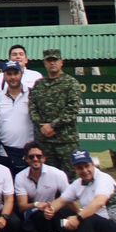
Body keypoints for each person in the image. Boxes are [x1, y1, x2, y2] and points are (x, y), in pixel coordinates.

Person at [30, 47, 84, 178]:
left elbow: (72, 109)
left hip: (66, 141)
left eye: (55, 60)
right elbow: (32, 108)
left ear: (61, 62)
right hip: (45, 142)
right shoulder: (39, 84)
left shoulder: (71, 83)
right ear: (45, 63)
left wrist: (52, 126)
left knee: (69, 178)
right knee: (48, 178)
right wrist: (42, 126)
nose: (52, 63)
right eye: (49, 60)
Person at [14, 141, 69, 232]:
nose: (35, 159)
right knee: (34, 216)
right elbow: (22, 206)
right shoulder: (20, 177)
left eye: (39, 156)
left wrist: (52, 207)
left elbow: (68, 197)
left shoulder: (57, 174)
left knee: (66, 215)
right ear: (26, 159)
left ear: (44, 158)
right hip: (34, 212)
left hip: (55, 209)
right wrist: (37, 204)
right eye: (31, 157)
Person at [0, 61, 36, 173]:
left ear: (21, 74)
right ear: (4, 76)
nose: (12, 77)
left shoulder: (32, 94)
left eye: (15, 73)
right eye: (9, 74)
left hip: (29, 151)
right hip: (5, 151)